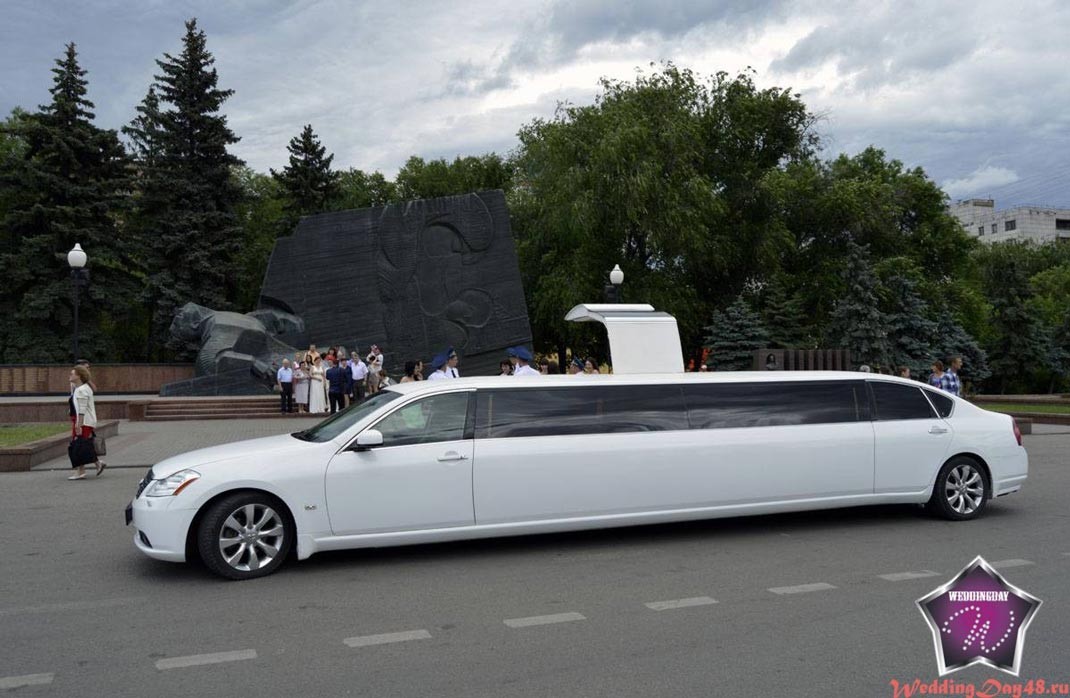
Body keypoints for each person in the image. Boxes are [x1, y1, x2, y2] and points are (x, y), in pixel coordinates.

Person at [68, 365, 105, 480]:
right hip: (84, 421)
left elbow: (82, 409)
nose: (70, 375)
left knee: (79, 446)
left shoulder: (82, 390)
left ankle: (81, 471)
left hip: (84, 422)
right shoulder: (81, 388)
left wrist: (79, 425)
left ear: (79, 376)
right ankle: (92, 466)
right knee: (82, 444)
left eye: (72, 374)